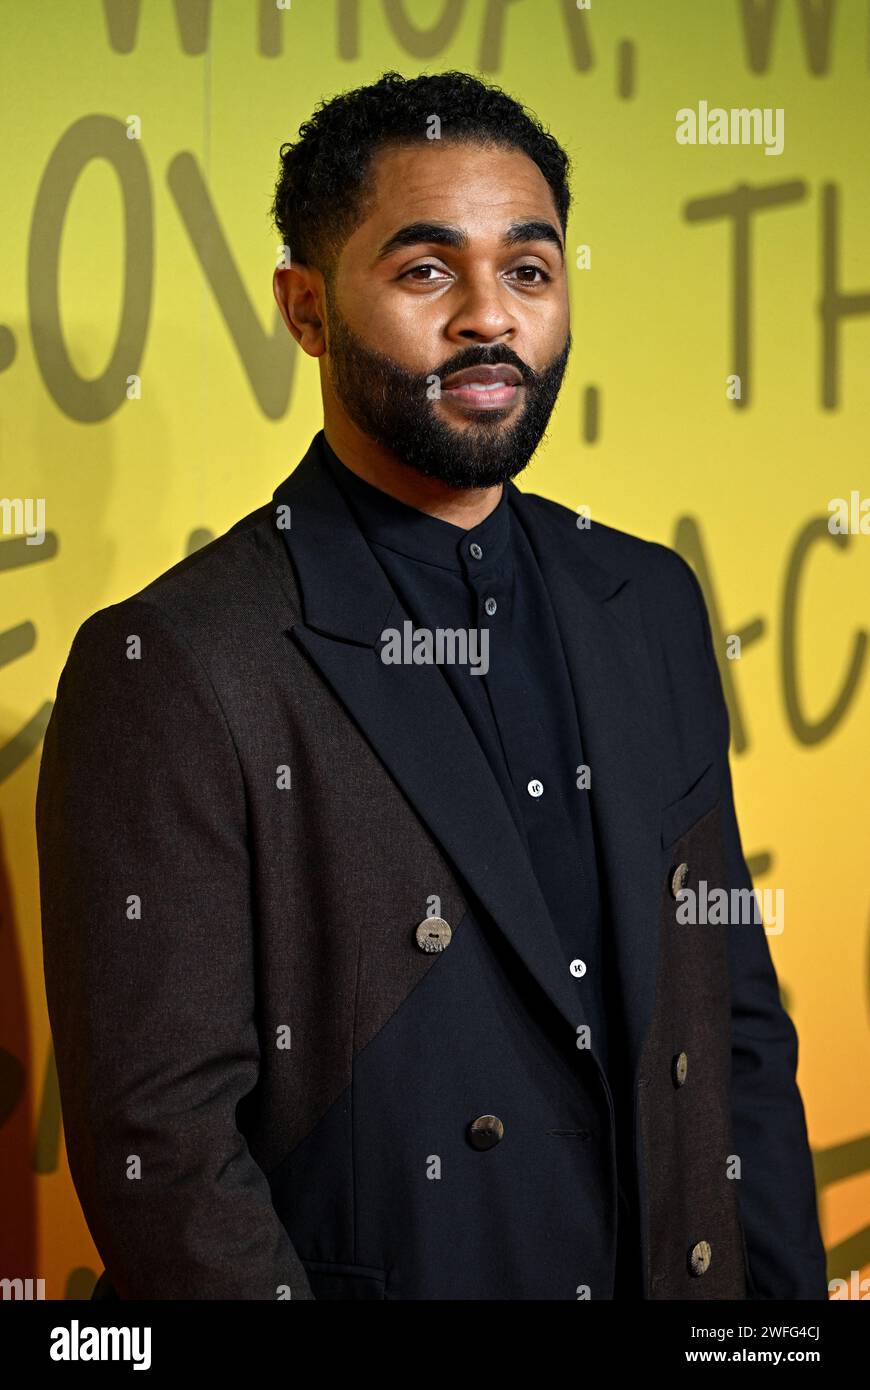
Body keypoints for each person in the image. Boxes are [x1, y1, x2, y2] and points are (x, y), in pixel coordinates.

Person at [36, 70, 827, 1301]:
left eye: (528, 269)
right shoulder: (179, 663)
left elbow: (731, 1033)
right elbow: (166, 1152)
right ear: (305, 310)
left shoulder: (651, 602)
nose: (488, 317)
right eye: (424, 271)